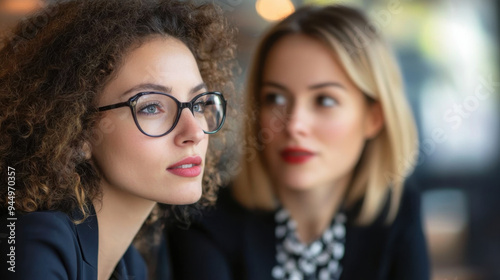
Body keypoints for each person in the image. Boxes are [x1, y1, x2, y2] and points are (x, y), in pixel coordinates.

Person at [166, 4, 430, 280]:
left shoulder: (397, 212)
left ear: (374, 118)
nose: (293, 125)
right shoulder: (205, 225)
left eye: (324, 100)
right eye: (276, 99)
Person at [0, 0, 235, 279]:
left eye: (197, 104)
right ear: (78, 131)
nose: (194, 132)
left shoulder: (129, 266)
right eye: (151, 107)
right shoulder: (34, 244)